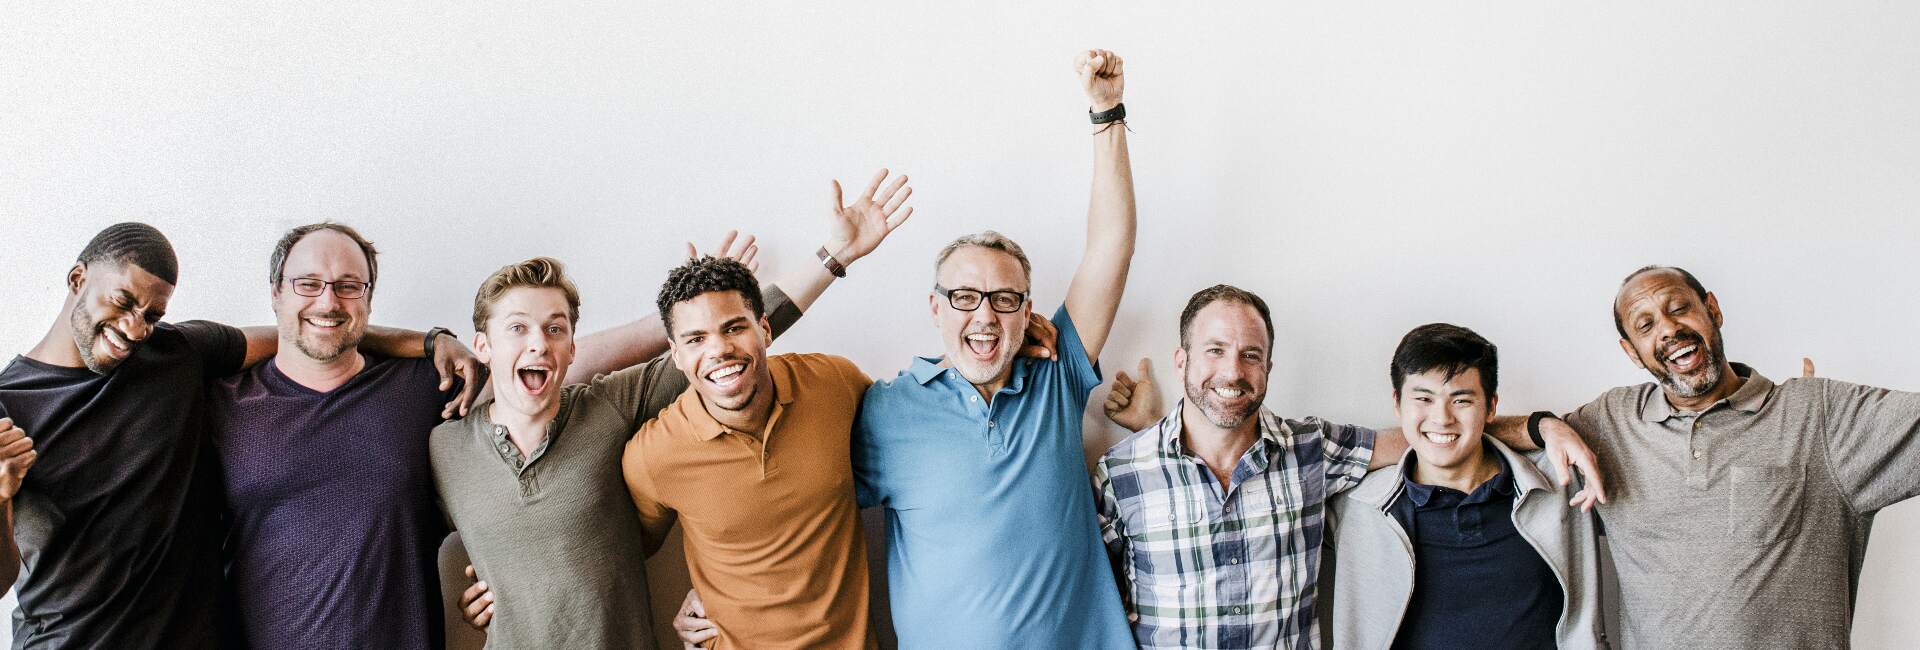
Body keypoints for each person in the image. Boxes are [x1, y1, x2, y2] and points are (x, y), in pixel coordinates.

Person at [436, 171, 919, 649]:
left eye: (555, 329)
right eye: (517, 329)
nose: (539, 343)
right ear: (481, 345)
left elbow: (726, 347)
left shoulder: (612, 408)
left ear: (572, 347)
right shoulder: (444, 446)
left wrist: (832, 257)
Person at [0, 222, 475, 648]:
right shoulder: (7, 407)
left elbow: (308, 331)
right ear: (77, 279)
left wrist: (432, 341)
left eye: (152, 315)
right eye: (122, 301)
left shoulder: (175, 355)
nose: (133, 327)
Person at [1094, 286, 1600, 649]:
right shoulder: (1122, 473)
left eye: (1251, 355)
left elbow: (1433, 435)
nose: (1233, 370)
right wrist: (1151, 425)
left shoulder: (1310, 451)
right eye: (1215, 351)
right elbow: (1091, 599)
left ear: (1269, 367)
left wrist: (1541, 427)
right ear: (1181, 361)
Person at [848, 48, 1141, 648]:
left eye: (1005, 299)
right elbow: (806, 512)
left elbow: (1112, 244)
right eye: (964, 296)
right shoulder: (885, 410)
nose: (985, 316)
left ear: (1027, 311)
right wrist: (713, 588)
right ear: (935, 308)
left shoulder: (1056, 376)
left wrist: (1106, 114)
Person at [1491, 265, 1920, 648]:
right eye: (1645, 325)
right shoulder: (1612, 422)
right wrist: (1545, 426)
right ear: (1631, 351)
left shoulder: (1819, 414)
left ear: (1712, 309)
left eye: (1678, 308)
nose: (1667, 329)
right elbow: (1458, 431)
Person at [621, 179, 907, 650]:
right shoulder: (654, 454)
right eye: (695, 339)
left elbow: (919, 420)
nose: (719, 350)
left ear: (766, 329)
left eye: (734, 327)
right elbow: (619, 554)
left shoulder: (834, 384)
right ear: (674, 355)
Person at [1322, 323, 1608, 649]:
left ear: (1492, 407)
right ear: (1397, 403)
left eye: (1461, 400)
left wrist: (1546, 425)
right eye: (1423, 398)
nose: (1442, 418)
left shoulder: (1559, 485)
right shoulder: (1357, 505)